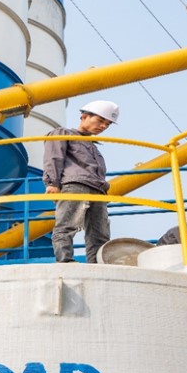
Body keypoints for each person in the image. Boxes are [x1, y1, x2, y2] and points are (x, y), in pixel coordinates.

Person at [42, 100, 119, 263]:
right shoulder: (63, 133)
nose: (103, 126)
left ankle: (98, 265)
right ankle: (64, 261)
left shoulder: (93, 146)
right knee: (66, 225)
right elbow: (54, 157)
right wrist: (52, 183)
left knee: (100, 234)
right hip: (75, 186)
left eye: (107, 124)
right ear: (84, 116)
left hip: (98, 191)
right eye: (100, 120)